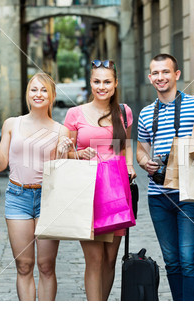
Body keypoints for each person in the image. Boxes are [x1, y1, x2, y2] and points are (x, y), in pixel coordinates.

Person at [0, 72, 72, 301]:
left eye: (43, 90)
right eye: (34, 89)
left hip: (48, 200)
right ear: (27, 94)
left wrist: (64, 153)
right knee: (24, 265)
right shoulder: (13, 123)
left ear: (51, 96)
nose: (38, 94)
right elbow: (1, 164)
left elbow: (63, 171)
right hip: (17, 196)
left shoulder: (61, 130)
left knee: (46, 266)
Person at [136, 53, 194, 301]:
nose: (161, 77)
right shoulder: (147, 113)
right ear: (150, 78)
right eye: (156, 73)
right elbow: (141, 148)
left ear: (176, 75)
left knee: (189, 260)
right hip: (158, 197)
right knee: (172, 262)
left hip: (190, 193)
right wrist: (143, 162)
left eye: (166, 72)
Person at [63, 59, 136, 301]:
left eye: (107, 81)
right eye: (96, 81)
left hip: (115, 190)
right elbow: (63, 153)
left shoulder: (124, 112)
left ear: (115, 84)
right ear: (90, 83)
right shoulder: (75, 113)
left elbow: (122, 148)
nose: (101, 86)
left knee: (110, 258)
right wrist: (78, 153)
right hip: (87, 191)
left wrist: (130, 166)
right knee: (94, 259)